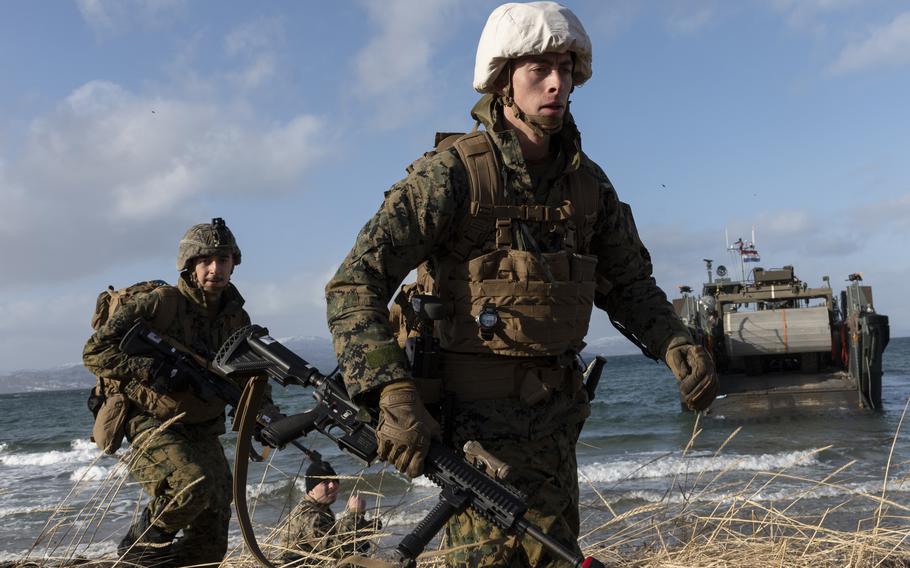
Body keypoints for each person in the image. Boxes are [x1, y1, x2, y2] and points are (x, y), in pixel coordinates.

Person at [325, 2, 718, 567]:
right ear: (504, 79)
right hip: (471, 439)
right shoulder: (452, 175)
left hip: (555, 432)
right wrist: (391, 390)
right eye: (539, 69)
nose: (556, 83)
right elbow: (354, 283)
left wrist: (675, 342)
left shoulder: (588, 187)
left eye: (565, 68)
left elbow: (630, 284)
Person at [84, 218, 277, 566]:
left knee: (217, 512)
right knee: (190, 485)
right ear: (189, 265)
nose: (215, 269)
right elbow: (94, 352)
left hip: (200, 422)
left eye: (223, 260)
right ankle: (139, 547)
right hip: (148, 418)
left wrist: (267, 417)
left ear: (234, 263)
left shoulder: (237, 319)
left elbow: (251, 378)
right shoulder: (160, 304)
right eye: (205, 260)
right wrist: (147, 368)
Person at [280, 460, 382, 565]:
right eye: (325, 482)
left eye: (334, 480)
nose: (332, 485)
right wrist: (355, 514)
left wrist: (367, 526)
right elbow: (333, 550)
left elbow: (337, 538)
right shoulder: (308, 514)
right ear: (311, 491)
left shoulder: (321, 509)